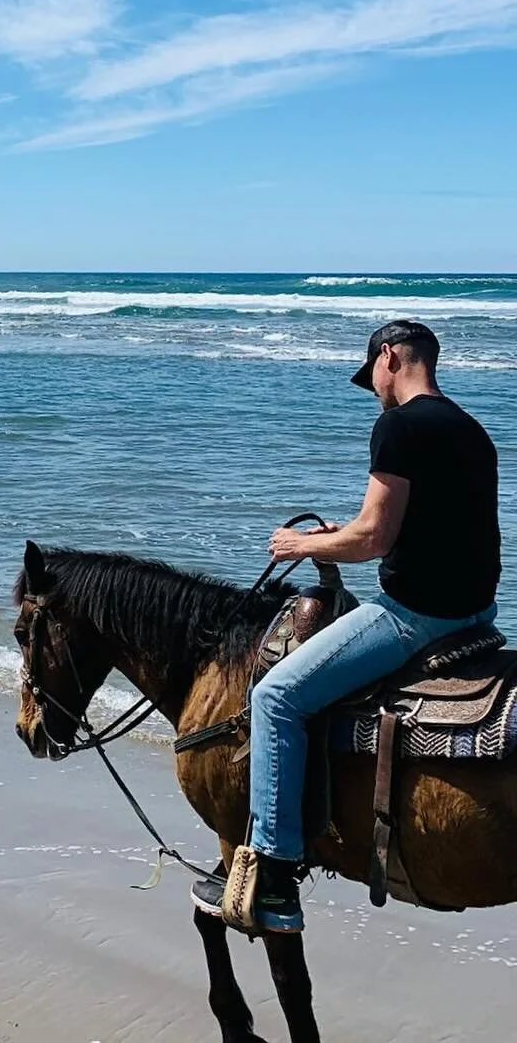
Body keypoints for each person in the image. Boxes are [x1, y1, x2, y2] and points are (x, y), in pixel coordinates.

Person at [195, 320, 501, 933]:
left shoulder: (400, 426)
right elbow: (437, 525)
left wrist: (304, 544)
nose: (376, 392)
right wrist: (344, 540)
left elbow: (374, 536)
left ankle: (276, 874)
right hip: (478, 614)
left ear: (388, 357)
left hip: (417, 617)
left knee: (276, 695)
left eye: (375, 379)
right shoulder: (472, 430)